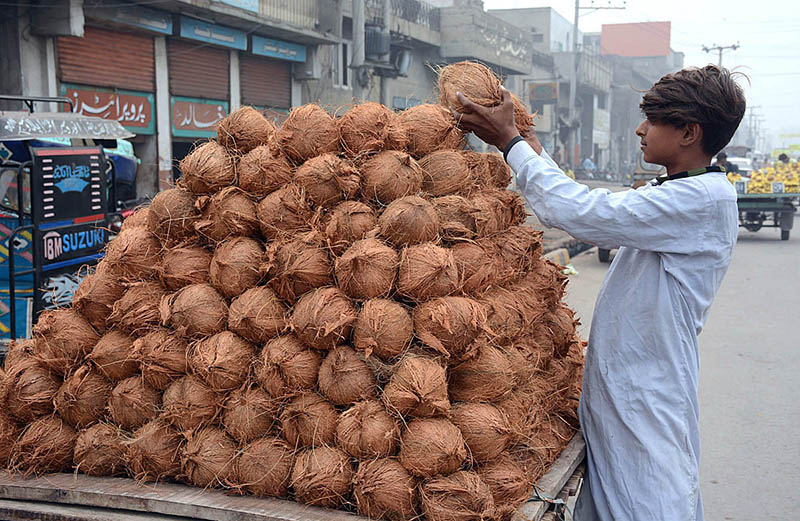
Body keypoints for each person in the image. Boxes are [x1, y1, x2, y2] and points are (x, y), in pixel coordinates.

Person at [451, 64, 745, 521]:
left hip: (643, 394)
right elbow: (591, 204)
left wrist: (510, 143)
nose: (640, 129)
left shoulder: (702, 200)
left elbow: (582, 212)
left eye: (653, 121)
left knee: (649, 501)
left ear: (689, 133)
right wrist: (528, 147)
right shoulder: (681, 191)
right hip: (627, 389)